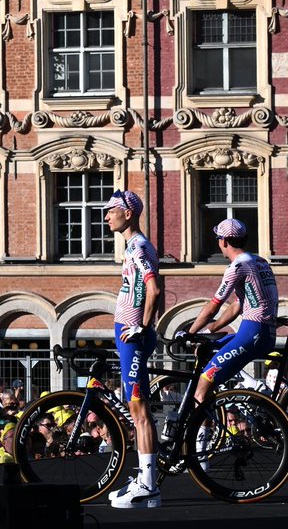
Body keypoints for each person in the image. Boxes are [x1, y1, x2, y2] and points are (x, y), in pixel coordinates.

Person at [104, 189, 162, 510]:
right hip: (129, 335)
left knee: (139, 413)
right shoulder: (133, 246)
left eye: (111, 210)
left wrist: (143, 325)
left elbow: (154, 288)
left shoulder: (138, 246)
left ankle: (149, 486)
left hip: (132, 336)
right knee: (138, 411)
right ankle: (144, 478)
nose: (106, 216)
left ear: (128, 214)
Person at [184, 218, 279, 407]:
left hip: (252, 333)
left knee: (200, 390)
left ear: (224, 241)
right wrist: (210, 330)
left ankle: (200, 426)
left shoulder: (237, 266)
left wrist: (189, 333)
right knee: (211, 348)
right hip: (265, 334)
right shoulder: (259, 261)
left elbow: (213, 306)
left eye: (218, 238)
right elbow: (237, 305)